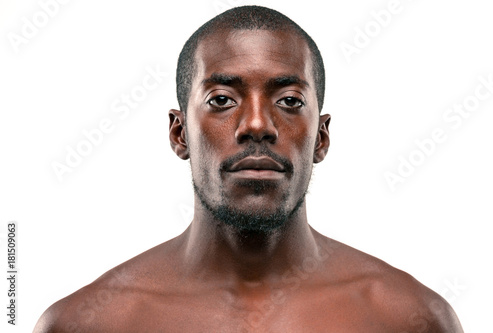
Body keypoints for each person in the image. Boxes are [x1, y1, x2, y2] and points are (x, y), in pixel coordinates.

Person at [34, 5, 463, 332]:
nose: (257, 124)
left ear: (321, 138)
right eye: (221, 99)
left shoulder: (409, 319)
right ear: (180, 134)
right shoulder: (89, 323)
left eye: (290, 101)